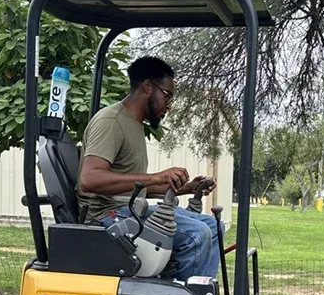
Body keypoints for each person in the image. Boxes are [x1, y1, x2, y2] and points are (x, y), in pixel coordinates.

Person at [77, 56, 219, 280]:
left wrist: (187, 189)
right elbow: (89, 179)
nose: (169, 105)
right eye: (167, 95)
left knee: (212, 226)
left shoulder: (134, 125)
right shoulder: (111, 121)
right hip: (108, 217)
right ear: (147, 86)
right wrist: (156, 177)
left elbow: (134, 189)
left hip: (127, 210)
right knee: (197, 235)